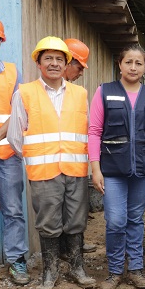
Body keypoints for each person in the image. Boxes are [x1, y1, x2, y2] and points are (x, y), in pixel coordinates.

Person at [7, 36, 96, 289]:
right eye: (48, 58)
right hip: (44, 171)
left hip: (76, 169)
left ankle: (77, 268)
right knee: (48, 222)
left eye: (60, 59)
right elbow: (15, 136)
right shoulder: (24, 92)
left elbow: (88, 131)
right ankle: (50, 270)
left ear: (66, 63)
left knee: (77, 220)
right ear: (38, 62)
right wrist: (34, 157)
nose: (54, 64)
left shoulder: (80, 94)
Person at [89, 44, 145, 289]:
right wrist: (95, 169)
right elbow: (94, 132)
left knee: (135, 219)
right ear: (119, 64)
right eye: (128, 62)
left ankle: (135, 269)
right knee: (115, 221)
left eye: (139, 63)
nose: (133, 67)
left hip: (144, 169)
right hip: (112, 169)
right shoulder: (104, 91)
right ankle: (114, 271)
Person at [0, 15, 28, 284]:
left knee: (14, 209)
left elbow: (17, 112)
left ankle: (16, 260)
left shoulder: (13, 72)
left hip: (6, 153)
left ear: (1, 42)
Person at [62, 37, 97, 255]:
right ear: (68, 61)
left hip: (76, 161)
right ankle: (63, 251)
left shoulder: (78, 93)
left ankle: (74, 247)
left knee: (76, 208)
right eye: (79, 66)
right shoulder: (39, 92)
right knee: (57, 210)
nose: (81, 72)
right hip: (51, 163)